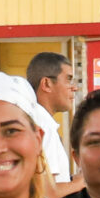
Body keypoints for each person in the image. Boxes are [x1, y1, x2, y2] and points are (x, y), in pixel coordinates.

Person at [26, 51, 78, 185]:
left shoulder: (38, 119)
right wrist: (82, 182)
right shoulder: (43, 125)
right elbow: (47, 193)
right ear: (46, 84)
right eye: (68, 79)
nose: (74, 88)